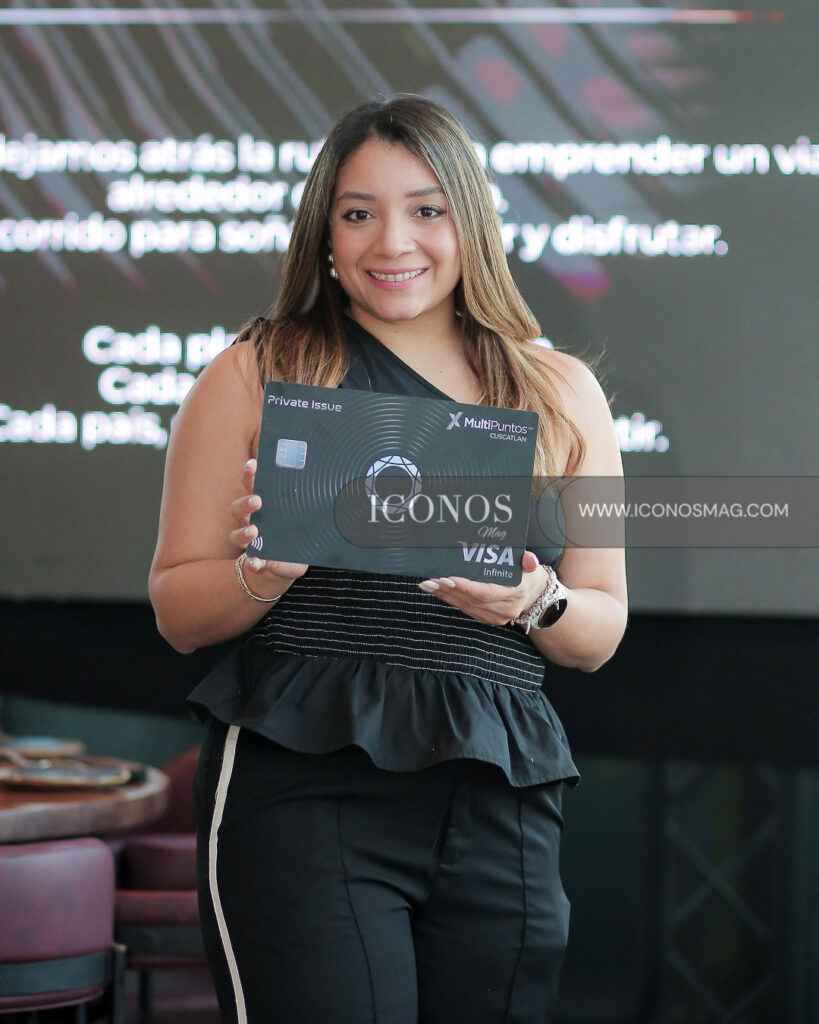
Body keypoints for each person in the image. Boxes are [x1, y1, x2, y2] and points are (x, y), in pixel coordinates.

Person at [150, 93, 627, 1024]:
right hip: (304, 788)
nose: (391, 242)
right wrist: (262, 574)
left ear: (469, 223)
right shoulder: (257, 372)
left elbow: (599, 626)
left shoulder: (559, 391)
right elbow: (177, 611)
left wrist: (534, 602)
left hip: (500, 794)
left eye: (425, 209)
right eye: (358, 212)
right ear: (324, 232)